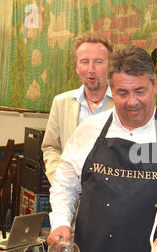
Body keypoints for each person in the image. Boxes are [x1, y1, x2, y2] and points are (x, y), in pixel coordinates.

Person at [47, 45, 157, 252]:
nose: (132, 102)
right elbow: (64, 184)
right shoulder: (89, 131)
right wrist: (60, 223)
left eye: (140, 91)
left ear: (155, 86)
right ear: (111, 90)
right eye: (122, 92)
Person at [41, 31, 114, 184]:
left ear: (110, 66)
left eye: (99, 61)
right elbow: (51, 147)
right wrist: (59, 179)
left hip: (110, 197)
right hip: (70, 197)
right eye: (84, 62)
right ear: (76, 66)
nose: (91, 69)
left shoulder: (123, 105)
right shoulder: (61, 103)